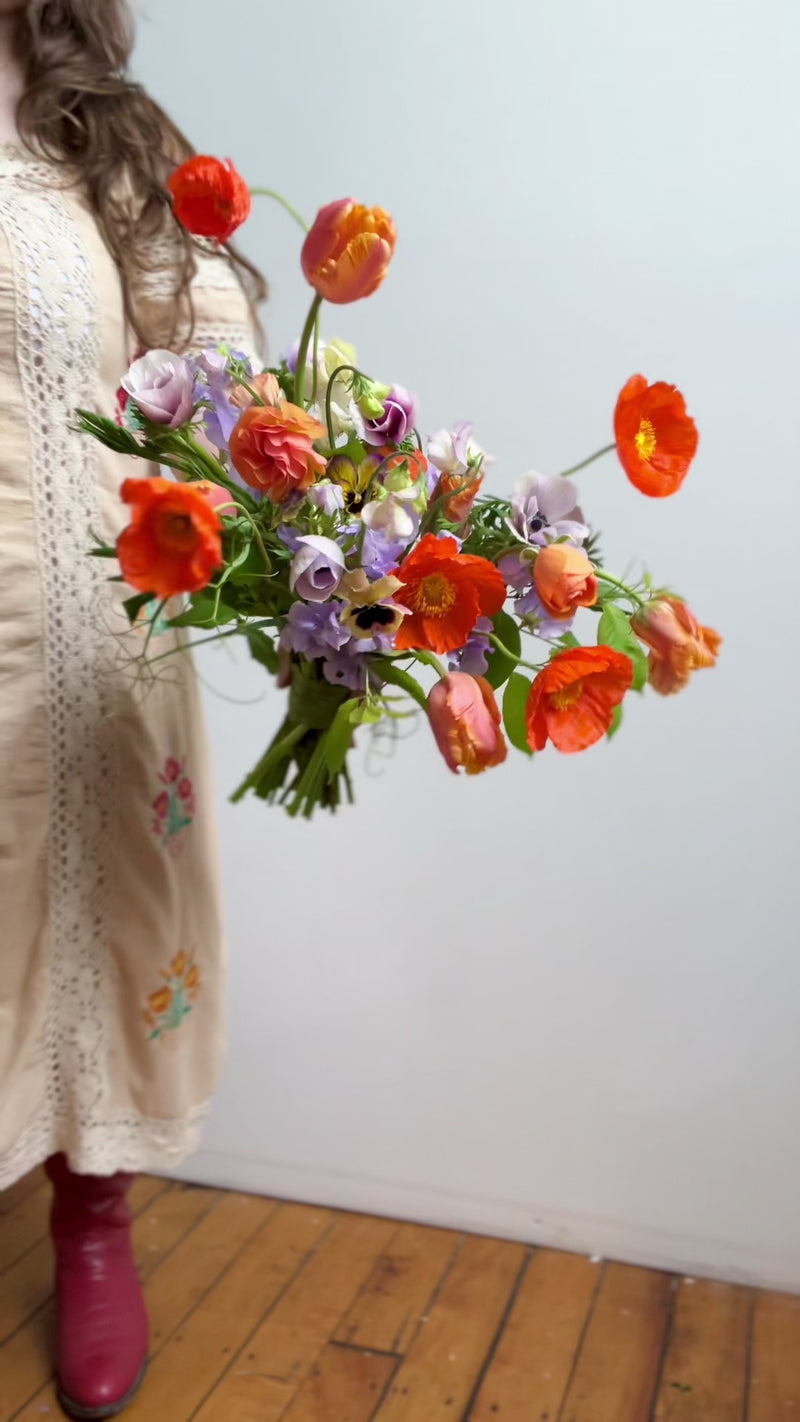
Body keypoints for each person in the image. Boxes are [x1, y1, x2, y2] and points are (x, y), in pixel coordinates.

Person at [0, 2, 263, 1415]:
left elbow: (206, 342)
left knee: (110, 906)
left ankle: (90, 1206)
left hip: (104, 637)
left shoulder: (99, 125)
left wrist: (311, 489)